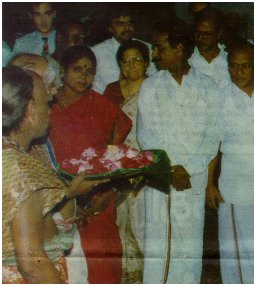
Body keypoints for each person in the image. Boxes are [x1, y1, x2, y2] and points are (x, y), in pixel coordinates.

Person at [2, 65, 106, 283]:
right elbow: (32, 265)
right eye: (46, 103)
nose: (51, 109)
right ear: (29, 111)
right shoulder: (21, 170)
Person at [137, 18, 219, 283]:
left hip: (193, 178)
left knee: (189, 248)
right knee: (159, 248)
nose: (155, 54)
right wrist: (171, 168)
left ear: (179, 49)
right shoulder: (150, 87)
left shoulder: (208, 86)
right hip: (163, 176)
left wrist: (189, 167)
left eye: (160, 48)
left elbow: (212, 136)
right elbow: (145, 135)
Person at [48, 45, 132, 284]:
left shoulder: (103, 107)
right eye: (77, 69)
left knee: (103, 262)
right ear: (62, 71)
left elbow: (116, 155)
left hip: (98, 197)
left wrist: (109, 191)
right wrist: (66, 198)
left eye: (90, 71)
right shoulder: (48, 105)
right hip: (58, 198)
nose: (84, 76)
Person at [206, 42, 254, 283]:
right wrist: (209, 184)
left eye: (245, 66)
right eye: (234, 66)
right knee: (235, 256)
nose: (239, 72)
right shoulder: (221, 97)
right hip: (234, 188)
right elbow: (212, 144)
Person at [104, 39, 150, 283]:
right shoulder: (111, 90)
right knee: (120, 224)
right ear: (119, 65)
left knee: (142, 226)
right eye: (125, 61)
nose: (131, 65)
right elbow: (104, 128)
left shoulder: (155, 87)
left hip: (146, 164)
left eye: (137, 59)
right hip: (117, 165)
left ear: (147, 62)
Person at [91, 7, 156, 94]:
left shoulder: (148, 48)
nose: (127, 28)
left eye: (130, 23)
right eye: (120, 24)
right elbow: (94, 88)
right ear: (110, 28)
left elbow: (155, 79)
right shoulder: (96, 53)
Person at [189, 7, 231, 88]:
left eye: (207, 35)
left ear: (219, 34)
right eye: (198, 33)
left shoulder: (231, 60)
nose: (200, 38)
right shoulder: (188, 61)